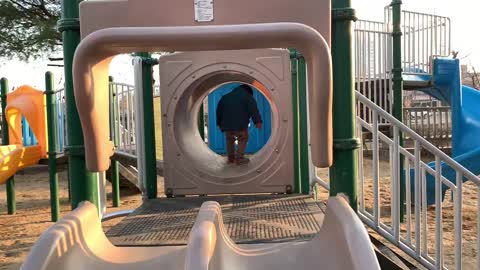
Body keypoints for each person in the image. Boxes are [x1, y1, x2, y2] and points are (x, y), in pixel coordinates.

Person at [216, 84, 262, 165]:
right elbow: (254, 110)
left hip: (227, 125)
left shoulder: (225, 97)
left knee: (229, 139)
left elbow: (218, 111)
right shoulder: (248, 97)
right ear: (248, 91)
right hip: (240, 125)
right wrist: (257, 121)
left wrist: (219, 123)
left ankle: (230, 158)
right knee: (243, 139)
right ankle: (239, 158)